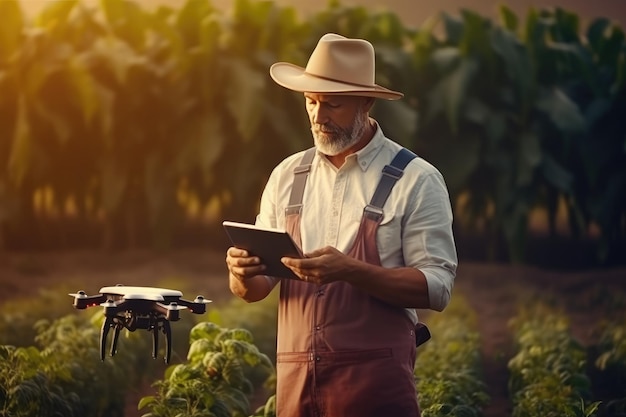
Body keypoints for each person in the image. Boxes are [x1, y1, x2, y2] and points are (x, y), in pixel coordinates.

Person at [225, 33, 457, 417]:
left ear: (366, 102)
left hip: (376, 393)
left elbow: (437, 288)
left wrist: (350, 271)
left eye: (333, 104)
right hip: (297, 391)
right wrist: (242, 273)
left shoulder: (416, 179)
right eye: (311, 102)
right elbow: (256, 289)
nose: (319, 116)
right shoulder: (287, 176)